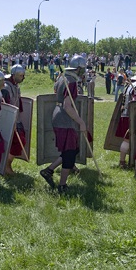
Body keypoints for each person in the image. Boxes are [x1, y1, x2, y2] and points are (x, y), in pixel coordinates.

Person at [39, 55, 89, 193]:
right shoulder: (71, 81)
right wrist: (81, 122)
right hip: (63, 118)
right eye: (83, 68)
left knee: (73, 149)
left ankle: (49, 170)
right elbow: (67, 106)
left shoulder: (62, 78)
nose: (84, 71)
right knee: (69, 152)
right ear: (78, 68)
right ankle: (62, 185)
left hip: (60, 115)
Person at [1, 64, 27, 176]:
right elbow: (4, 106)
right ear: (14, 75)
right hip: (8, 120)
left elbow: (18, 103)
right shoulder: (6, 87)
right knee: (18, 141)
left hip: (16, 119)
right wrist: (10, 122)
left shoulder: (15, 85)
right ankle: (6, 165)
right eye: (21, 75)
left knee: (20, 140)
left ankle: (6, 164)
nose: (23, 78)